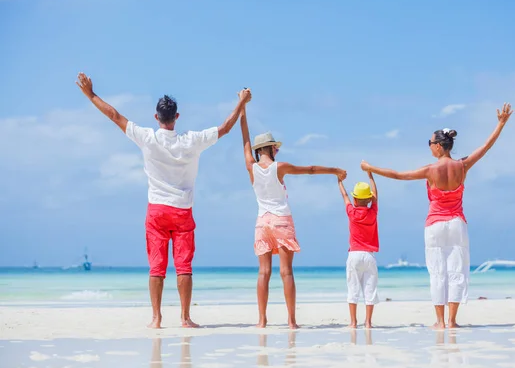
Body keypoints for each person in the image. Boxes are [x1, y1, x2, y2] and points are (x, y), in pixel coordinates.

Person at [76, 72, 251, 328]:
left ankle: (156, 318)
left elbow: (115, 116)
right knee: (184, 267)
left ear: (156, 117)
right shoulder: (191, 141)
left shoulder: (147, 137)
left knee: (157, 268)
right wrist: (241, 102)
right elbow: (225, 128)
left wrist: (90, 94)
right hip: (182, 211)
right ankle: (185, 317)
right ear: (176, 117)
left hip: (157, 211)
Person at [361, 103, 514, 329]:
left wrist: (370, 168)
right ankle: (452, 321)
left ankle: (440, 321)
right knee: (457, 272)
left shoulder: (430, 170)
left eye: (431, 143)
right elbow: (485, 147)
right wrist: (500, 124)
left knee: (437, 273)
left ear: (440, 147)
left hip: (434, 226)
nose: (429, 147)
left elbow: (397, 175)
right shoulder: (462, 166)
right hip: (457, 225)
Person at [238, 102, 346, 329]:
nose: (277, 151)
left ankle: (261, 320)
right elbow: (311, 170)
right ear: (268, 148)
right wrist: (335, 170)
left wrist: (242, 108)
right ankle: (291, 321)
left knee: (263, 271)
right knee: (286, 272)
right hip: (280, 219)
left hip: (262, 222)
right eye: (275, 148)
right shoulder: (280, 167)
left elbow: (245, 138)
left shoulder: (251, 166)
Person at [337, 173, 380, 328]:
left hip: (354, 255)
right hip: (369, 256)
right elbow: (376, 196)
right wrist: (371, 176)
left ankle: (353, 322)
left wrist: (339, 181)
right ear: (369, 199)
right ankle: (368, 322)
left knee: (353, 289)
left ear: (355, 200)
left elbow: (344, 195)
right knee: (370, 290)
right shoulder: (372, 213)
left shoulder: (352, 212)